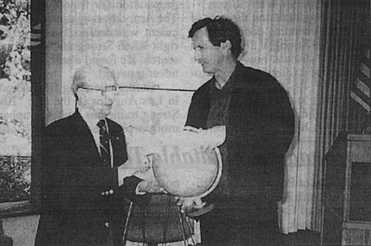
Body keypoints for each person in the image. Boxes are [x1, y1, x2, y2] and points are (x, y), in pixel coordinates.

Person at [181, 16, 295, 246]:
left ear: (225, 46)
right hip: (213, 210)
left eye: (201, 47)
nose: (196, 56)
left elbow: (281, 136)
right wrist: (191, 192)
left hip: (255, 209)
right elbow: (191, 150)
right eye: (195, 49)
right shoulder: (200, 96)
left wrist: (227, 133)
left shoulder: (263, 85)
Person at [34, 64, 160, 246]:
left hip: (110, 237)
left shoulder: (115, 130)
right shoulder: (57, 133)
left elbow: (120, 183)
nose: (110, 97)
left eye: (113, 89)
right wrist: (124, 170)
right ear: (81, 93)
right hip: (68, 237)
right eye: (102, 91)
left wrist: (143, 186)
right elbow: (65, 189)